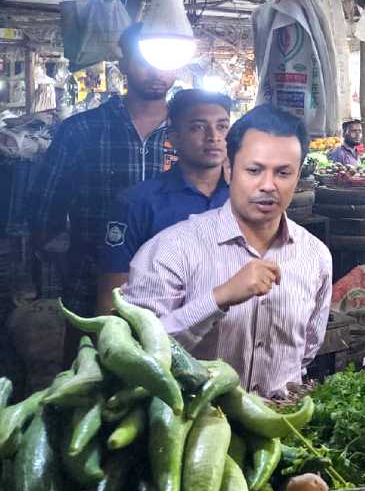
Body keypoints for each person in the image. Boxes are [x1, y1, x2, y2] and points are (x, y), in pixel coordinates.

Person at [121, 105, 332, 397]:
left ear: (297, 177)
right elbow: (134, 353)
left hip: (281, 420)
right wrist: (218, 299)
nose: (268, 185)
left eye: (283, 173)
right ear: (229, 170)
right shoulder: (171, 250)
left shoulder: (315, 256)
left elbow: (307, 350)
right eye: (254, 170)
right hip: (192, 420)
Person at [28, 23, 176, 316]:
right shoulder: (81, 130)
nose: (156, 71)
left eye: (165, 62)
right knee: (89, 347)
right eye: (144, 60)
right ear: (123, 64)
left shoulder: (192, 135)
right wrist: (69, 261)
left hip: (172, 290)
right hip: (90, 286)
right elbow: (44, 208)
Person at [96, 90, 233, 316]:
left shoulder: (242, 200)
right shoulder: (137, 203)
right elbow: (112, 299)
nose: (213, 137)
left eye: (222, 127)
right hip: (162, 331)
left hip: (236, 331)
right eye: (198, 127)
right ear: (173, 138)